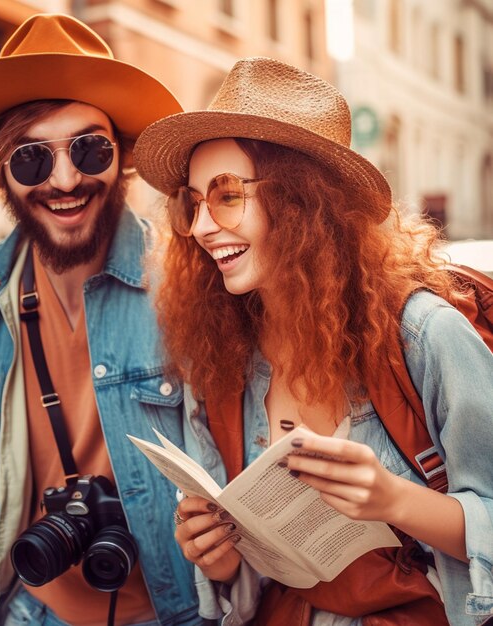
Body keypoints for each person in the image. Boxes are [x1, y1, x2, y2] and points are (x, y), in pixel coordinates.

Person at [0, 13, 209, 626]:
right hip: (30, 608)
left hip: (174, 613)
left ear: (122, 157)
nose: (64, 180)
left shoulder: (188, 284)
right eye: (31, 158)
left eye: (89, 148)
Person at [133, 57, 493, 625]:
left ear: (302, 202)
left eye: (226, 194)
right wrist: (221, 557)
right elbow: (250, 568)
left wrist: (395, 500)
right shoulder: (220, 355)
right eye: (192, 202)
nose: (201, 226)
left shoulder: (425, 334)